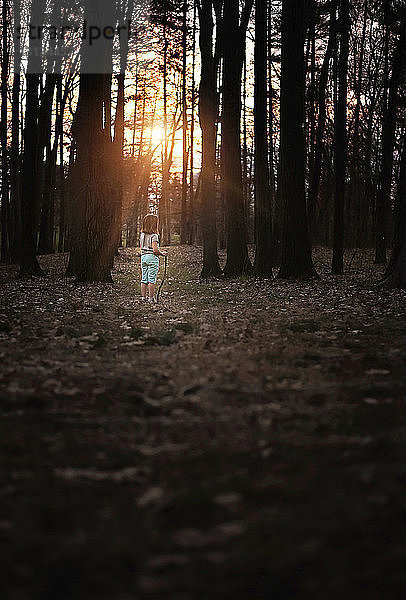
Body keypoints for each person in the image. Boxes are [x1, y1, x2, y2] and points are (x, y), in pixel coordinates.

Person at [139, 214, 167, 303]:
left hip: (143, 257)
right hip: (152, 258)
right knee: (151, 279)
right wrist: (162, 253)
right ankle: (151, 298)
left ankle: (143, 297)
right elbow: (155, 250)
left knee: (144, 278)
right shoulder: (154, 236)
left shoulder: (142, 235)